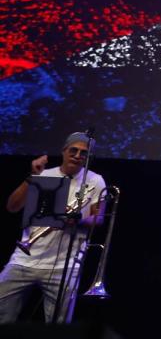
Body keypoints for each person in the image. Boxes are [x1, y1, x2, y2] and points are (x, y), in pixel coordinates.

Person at [0, 131, 107, 323]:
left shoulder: (95, 181)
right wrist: (32, 176)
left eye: (83, 153)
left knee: (59, 326)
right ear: (64, 151)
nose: (77, 155)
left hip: (63, 266)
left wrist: (78, 218)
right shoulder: (43, 175)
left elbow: (98, 218)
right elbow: (12, 206)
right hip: (24, 259)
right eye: (73, 150)